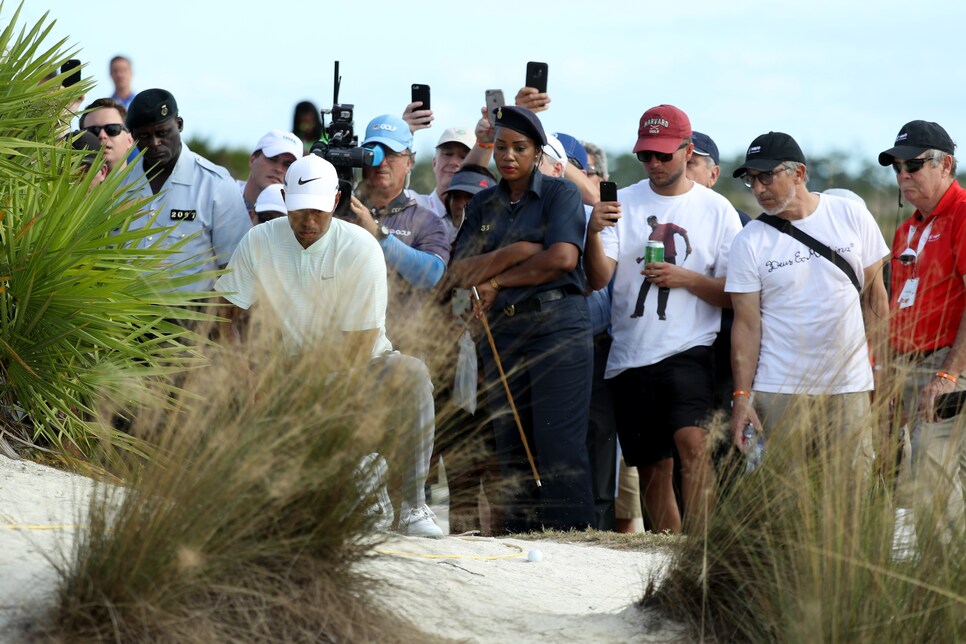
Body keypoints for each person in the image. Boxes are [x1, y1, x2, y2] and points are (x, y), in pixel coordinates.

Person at [214, 153, 443, 538]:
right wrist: (244, 374)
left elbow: (358, 346)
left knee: (413, 374)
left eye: (318, 211)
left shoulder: (360, 247)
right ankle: (359, 479)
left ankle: (412, 505)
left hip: (365, 368)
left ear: (335, 202)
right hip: (286, 371)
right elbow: (222, 316)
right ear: (284, 197)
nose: (309, 221)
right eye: (300, 209)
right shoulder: (260, 240)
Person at [584, 104, 742, 534]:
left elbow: (734, 296)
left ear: (688, 152)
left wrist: (686, 278)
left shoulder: (717, 210)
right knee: (652, 465)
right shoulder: (624, 201)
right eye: (645, 156)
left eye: (663, 155)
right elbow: (599, 277)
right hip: (630, 353)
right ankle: (669, 554)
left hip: (689, 347)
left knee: (693, 446)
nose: (653, 164)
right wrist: (593, 232)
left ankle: (701, 551)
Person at [449, 105, 595, 533]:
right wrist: (518, 252)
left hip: (558, 326)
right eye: (502, 147)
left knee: (558, 444)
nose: (509, 156)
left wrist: (496, 282)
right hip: (504, 332)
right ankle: (521, 539)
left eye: (521, 148)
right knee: (510, 444)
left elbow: (563, 258)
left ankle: (572, 539)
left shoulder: (559, 193)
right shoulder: (481, 204)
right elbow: (457, 272)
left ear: (536, 152)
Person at [727, 131, 889, 477]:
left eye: (766, 176)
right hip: (778, 391)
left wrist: (884, 372)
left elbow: (875, 298)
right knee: (784, 504)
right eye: (751, 180)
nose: (757, 189)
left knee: (851, 496)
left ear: (799, 174)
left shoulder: (851, 215)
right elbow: (746, 325)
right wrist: (741, 395)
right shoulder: (749, 240)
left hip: (848, 386)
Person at [879, 120, 966, 538]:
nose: (903, 176)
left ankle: (942, 597)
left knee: (931, 487)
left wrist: (948, 373)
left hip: (947, 367)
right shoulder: (906, 228)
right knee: (925, 486)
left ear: (946, 164)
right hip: (910, 370)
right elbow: (899, 307)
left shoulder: (963, 212)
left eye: (913, 165)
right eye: (897, 167)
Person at [123, 88, 250, 292]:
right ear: (133, 137)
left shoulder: (215, 185)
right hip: (126, 318)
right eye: (144, 136)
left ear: (179, 124)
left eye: (162, 133)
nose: (154, 143)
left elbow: (236, 268)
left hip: (193, 316)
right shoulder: (121, 186)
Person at [349, 114, 450, 353]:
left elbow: (430, 275)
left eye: (392, 154)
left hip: (403, 353)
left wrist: (378, 234)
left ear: (409, 162)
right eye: (373, 152)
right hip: (342, 350)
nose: (381, 162)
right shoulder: (338, 209)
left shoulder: (427, 221)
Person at [237, 129, 302, 219]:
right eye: (272, 159)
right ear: (252, 160)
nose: (279, 169)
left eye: (288, 165)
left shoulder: (299, 218)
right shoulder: (220, 197)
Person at [413, 127, 476, 218]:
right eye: (448, 154)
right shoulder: (412, 210)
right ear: (434, 163)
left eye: (463, 157)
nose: (454, 162)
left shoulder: (482, 217)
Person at [440, 165, 497, 244]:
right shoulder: (439, 239)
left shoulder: (505, 241)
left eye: (471, 197)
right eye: (456, 197)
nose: (460, 205)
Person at [78, 98, 134, 172]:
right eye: (92, 131)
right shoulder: (62, 182)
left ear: (130, 140)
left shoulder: (149, 182)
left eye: (112, 129)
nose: (102, 135)